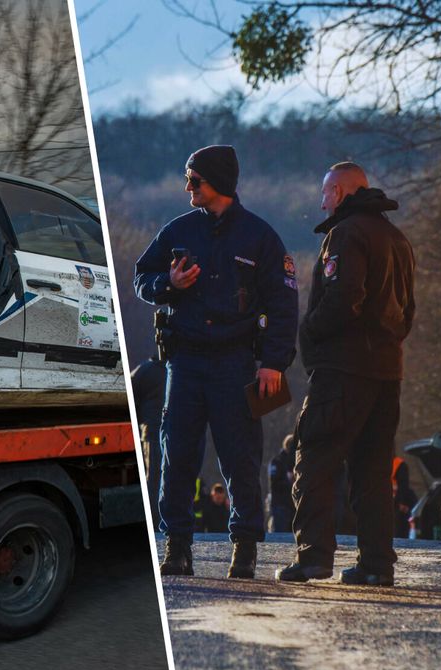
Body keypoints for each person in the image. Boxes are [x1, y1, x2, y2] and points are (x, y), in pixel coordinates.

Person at [134, 144, 298, 579]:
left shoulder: (261, 238)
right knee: (177, 456)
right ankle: (177, 548)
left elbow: (283, 306)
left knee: (241, 458)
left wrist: (273, 363)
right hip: (184, 362)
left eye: (195, 179)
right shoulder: (178, 230)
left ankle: (244, 550)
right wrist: (166, 283)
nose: (187, 186)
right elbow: (140, 278)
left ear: (218, 183)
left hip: (237, 364)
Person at [276, 162, 416, 586]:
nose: (320, 203)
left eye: (325, 193)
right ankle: (376, 565)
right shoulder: (397, 238)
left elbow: (344, 298)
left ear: (339, 191)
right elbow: (408, 312)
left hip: (343, 369)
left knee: (314, 455)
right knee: (373, 470)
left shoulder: (347, 234)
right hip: (387, 372)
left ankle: (313, 557)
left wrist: (309, 331)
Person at [130, 355, 168, 526]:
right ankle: (162, 521)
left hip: (151, 430)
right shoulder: (179, 369)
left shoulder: (146, 370)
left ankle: (154, 522)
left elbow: (131, 396)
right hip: (170, 430)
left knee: (153, 478)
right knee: (164, 478)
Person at [267, 434, 297, 533]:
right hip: (280, 504)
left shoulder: (296, 461)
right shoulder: (277, 461)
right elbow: (274, 482)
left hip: (293, 505)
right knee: (281, 534)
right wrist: (289, 481)